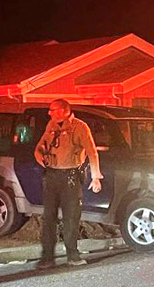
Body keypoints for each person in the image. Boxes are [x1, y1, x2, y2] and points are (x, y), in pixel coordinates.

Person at [34, 99, 103, 269]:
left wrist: (95, 177)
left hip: (70, 178)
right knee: (49, 217)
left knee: (70, 218)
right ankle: (47, 257)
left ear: (64, 110)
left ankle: (72, 255)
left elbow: (92, 152)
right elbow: (40, 147)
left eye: (53, 110)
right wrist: (40, 157)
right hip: (52, 177)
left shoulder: (79, 127)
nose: (49, 113)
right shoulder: (51, 125)